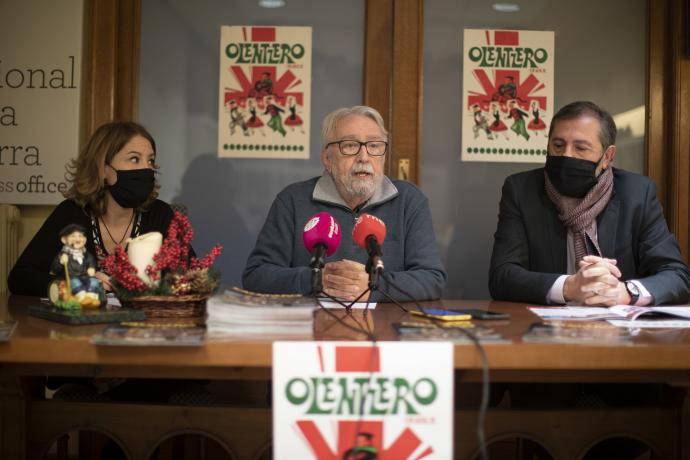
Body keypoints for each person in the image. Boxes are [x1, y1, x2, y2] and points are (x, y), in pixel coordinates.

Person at [489, 100, 690, 306]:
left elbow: (677, 275)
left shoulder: (638, 193)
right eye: (558, 145)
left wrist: (625, 292)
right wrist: (569, 287)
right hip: (546, 329)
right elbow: (502, 277)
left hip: (619, 331)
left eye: (580, 148)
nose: (566, 155)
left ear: (607, 157)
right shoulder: (522, 190)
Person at [243, 105, 446, 302]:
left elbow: (432, 279)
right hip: (312, 328)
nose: (364, 157)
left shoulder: (409, 201)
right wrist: (318, 280)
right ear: (327, 158)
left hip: (383, 329)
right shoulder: (293, 200)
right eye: (350, 145)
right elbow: (257, 276)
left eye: (374, 145)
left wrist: (373, 285)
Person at [9, 121, 182, 296]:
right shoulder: (72, 213)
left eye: (150, 160)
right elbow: (20, 278)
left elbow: (191, 278)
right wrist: (76, 285)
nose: (146, 168)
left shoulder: (160, 214)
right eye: (134, 159)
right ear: (103, 168)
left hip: (145, 321)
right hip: (87, 322)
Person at [50, 224, 102, 307]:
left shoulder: (87, 255)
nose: (77, 239)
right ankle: (81, 298)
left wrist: (92, 268)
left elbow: (91, 262)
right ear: (64, 240)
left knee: (94, 281)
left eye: (80, 236)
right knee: (75, 282)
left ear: (85, 239)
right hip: (71, 277)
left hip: (85, 276)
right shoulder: (63, 255)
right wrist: (61, 261)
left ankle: (91, 298)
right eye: (73, 236)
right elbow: (54, 269)